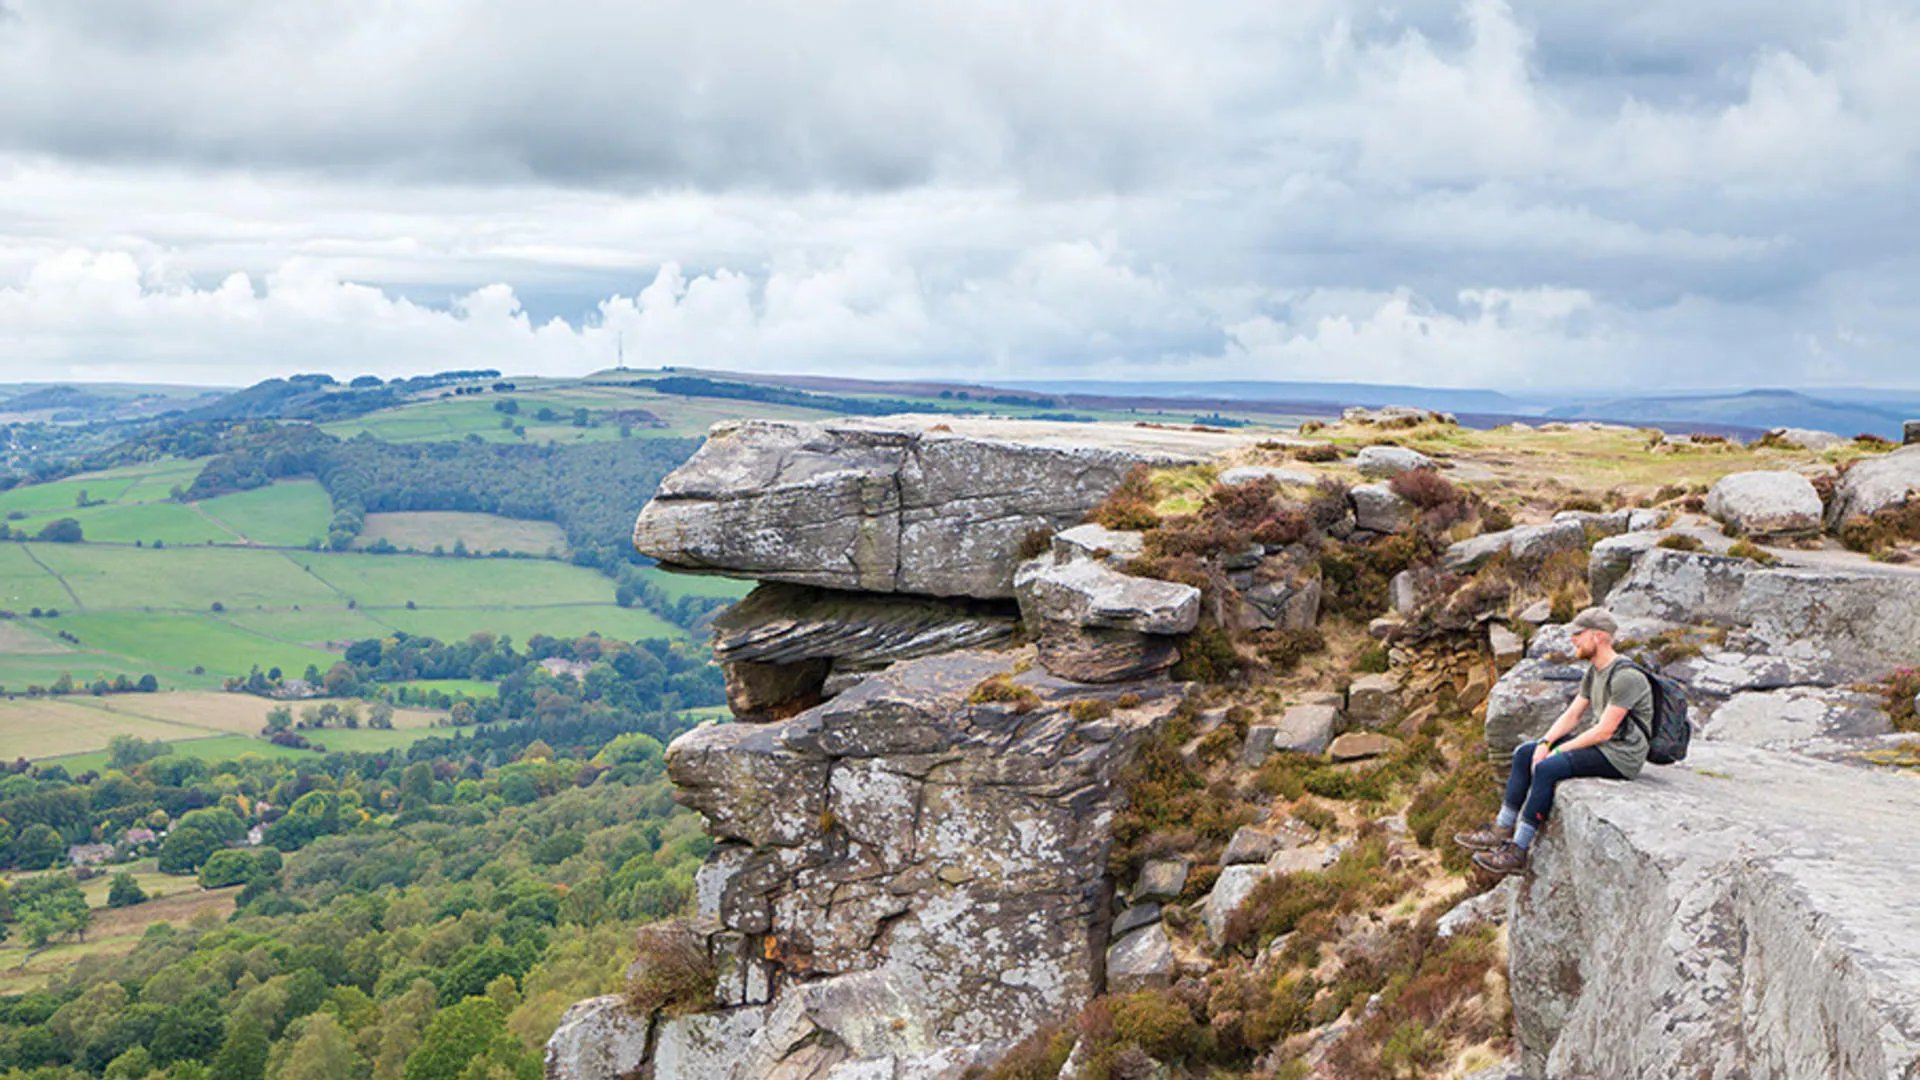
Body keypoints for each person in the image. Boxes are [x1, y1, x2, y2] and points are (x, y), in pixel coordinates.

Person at [1456, 606, 1651, 875]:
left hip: (1622, 755)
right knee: (1526, 752)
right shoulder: (1595, 672)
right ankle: (1501, 828)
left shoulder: (1626, 677)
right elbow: (1572, 715)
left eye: (1578, 634)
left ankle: (1518, 852)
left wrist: (1557, 753)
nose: (1572, 640)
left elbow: (1604, 731)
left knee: (1548, 767)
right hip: (1605, 746)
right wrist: (1545, 743)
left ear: (1597, 636)